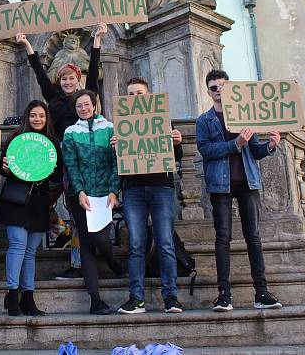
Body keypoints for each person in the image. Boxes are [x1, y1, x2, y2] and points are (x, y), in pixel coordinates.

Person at [17, 23, 108, 281]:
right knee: (43, 202)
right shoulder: (53, 97)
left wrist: (98, 39)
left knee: (80, 211)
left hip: (84, 161)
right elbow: (38, 72)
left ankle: (79, 262)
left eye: (72, 78)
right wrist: (27, 46)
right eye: (64, 78)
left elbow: (93, 77)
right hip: (57, 159)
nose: (68, 82)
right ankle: (61, 230)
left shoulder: (85, 97)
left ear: (78, 80)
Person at [196, 70, 283, 312]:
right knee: (222, 238)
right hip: (220, 185)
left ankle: (261, 292)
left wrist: (271, 146)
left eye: (223, 86)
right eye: (214, 88)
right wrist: (236, 144)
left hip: (248, 183)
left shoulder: (245, 116)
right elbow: (206, 150)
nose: (219, 91)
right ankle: (224, 294)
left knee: (253, 237)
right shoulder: (205, 120)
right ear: (208, 91)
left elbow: (254, 151)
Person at [113, 78, 184, 315]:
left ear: (148, 95)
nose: (135, 98)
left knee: (165, 243)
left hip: (161, 187)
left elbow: (177, 156)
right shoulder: (121, 124)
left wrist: (176, 143)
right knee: (135, 245)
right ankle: (136, 298)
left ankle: (171, 297)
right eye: (131, 94)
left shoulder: (161, 118)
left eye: (139, 93)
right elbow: (117, 162)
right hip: (133, 189)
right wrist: (115, 147)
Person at [0, 100, 63, 316]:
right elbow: (1, 166)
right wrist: (4, 168)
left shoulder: (52, 142)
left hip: (39, 203)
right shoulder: (15, 138)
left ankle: (28, 298)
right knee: (18, 245)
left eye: (41, 116)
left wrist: (52, 170)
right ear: (27, 116)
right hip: (16, 201)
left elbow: (58, 174)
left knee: (31, 252)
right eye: (33, 115)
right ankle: (12, 295)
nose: (37, 119)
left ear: (46, 118)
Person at [62, 90, 123, 315]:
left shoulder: (109, 128)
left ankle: (112, 261)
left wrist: (113, 190)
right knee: (86, 244)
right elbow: (72, 165)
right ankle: (95, 300)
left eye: (87, 104)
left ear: (94, 105)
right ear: (75, 109)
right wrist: (79, 191)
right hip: (82, 196)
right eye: (79, 106)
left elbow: (117, 162)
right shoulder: (70, 132)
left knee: (101, 238)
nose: (83, 108)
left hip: (104, 195)